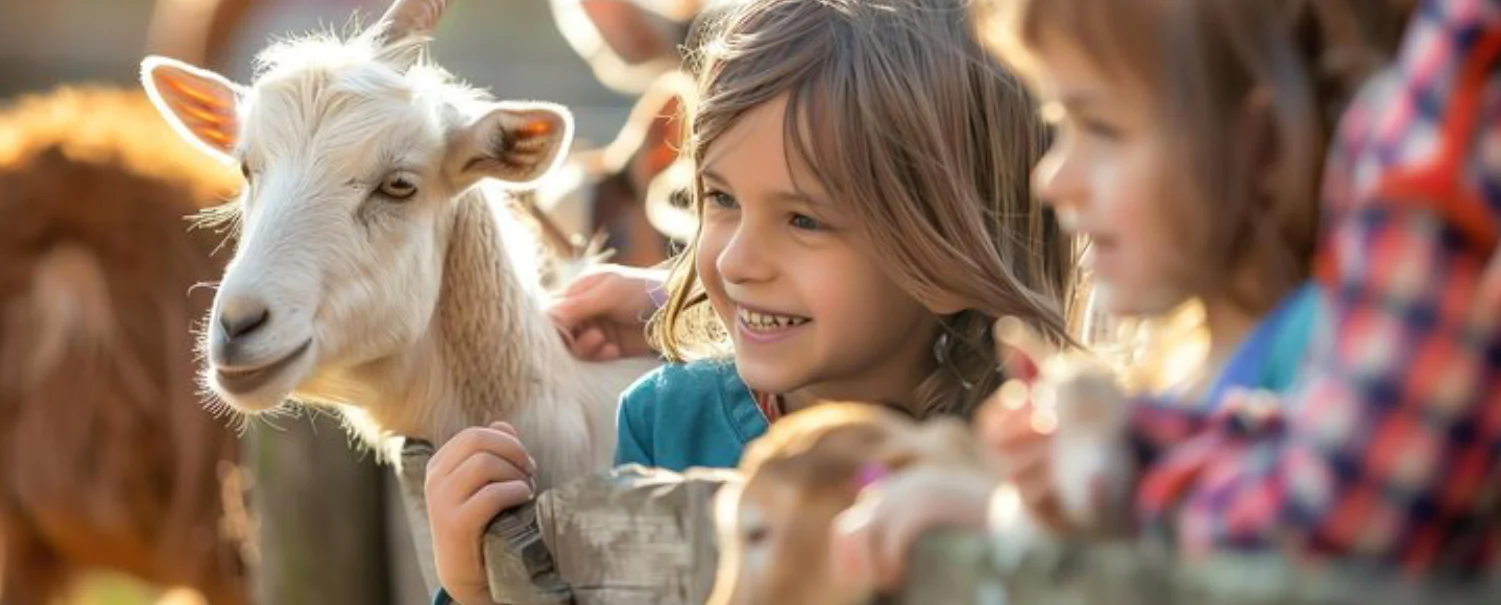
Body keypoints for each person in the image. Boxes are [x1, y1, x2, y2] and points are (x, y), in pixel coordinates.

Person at [424, 0, 1081, 602]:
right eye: (721, 199)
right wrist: (475, 584)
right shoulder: (668, 420)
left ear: (945, 251)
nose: (736, 259)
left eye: (803, 220)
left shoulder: (1028, 452)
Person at [825, 0, 1394, 589]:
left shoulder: (1323, 355)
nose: (1051, 179)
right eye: (1058, 125)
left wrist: (998, 520)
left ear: (1264, 143)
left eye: (1100, 128)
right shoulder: (1166, 381)